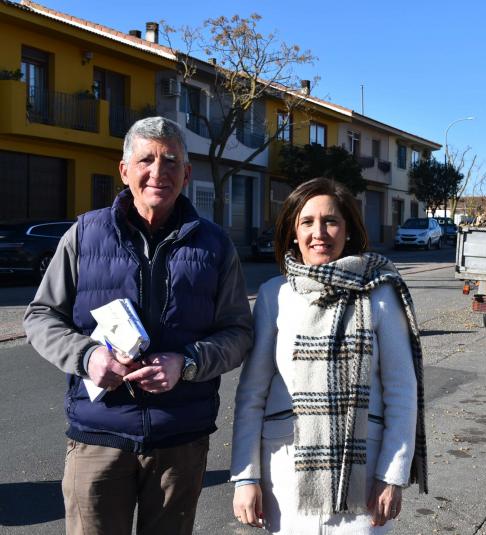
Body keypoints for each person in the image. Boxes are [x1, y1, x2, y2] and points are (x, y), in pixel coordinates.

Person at [23, 116, 254, 534]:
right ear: (125, 170)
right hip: (97, 438)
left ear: (186, 174)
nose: (158, 172)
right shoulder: (84, 235)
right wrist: (87, 356)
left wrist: (186, 362)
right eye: (146, 159)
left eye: (171, 161)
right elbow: (40, 317)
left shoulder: (216, 245)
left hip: (180, 442)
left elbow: (238, 333)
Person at [230, 177, 427, 534]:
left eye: (330, 221)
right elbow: (251, 394)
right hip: (286, 471)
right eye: (307, 222)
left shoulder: (380, 294)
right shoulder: (274, 295)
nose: (318, 232)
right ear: (292, 231)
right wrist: (246, 477)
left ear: (348, 229)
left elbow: (402, 390)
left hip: (362, 478)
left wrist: (392, 475)